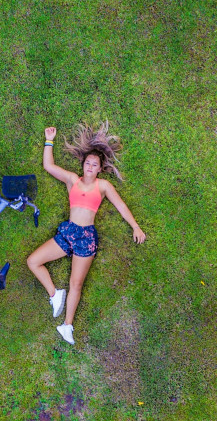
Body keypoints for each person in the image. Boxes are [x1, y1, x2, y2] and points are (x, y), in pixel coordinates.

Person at [27, 122, 146, 345]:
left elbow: (120, 206)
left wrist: (135, 226)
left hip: (86, 238)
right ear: (83, 165)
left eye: (95, 164)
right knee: (33, 261)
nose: (90, 167)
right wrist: (49, 140)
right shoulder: (72, 179)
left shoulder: (103, 186)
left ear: (100, 168)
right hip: (69, 231)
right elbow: (49, 166)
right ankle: (54, 294)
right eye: (88, 163)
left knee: (76, 283)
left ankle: (67, 326)